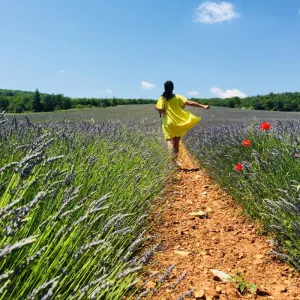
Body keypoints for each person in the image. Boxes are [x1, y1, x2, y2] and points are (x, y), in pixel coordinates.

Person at [155, 80, 210, 165]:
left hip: (168, 123)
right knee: (176, 143)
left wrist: (157, 108)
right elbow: (189, 103)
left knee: (169, 141)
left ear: (164, 88)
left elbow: (160, 110)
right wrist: (203, 106)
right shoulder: (177, 97)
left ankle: (171, 162)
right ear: (173, 88)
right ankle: (175, 161)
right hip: (178, 123)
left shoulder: (162, 98)